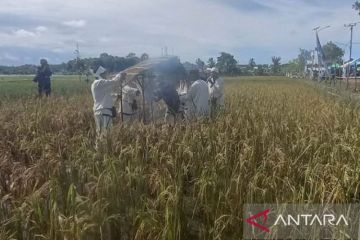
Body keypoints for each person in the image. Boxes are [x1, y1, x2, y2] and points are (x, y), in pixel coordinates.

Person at [91, 66, 126, 146]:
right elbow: (113, 82)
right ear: (100, 74)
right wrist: (119, 75)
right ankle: (102, 152)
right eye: (104, 73)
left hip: (102, 111)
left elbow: (107, 94)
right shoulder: (99, 82)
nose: (106, 75)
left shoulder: (98, 84)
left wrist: (116, 96)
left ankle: (101, 152)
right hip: (103, 111)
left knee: (102, 133)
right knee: (105, 134)